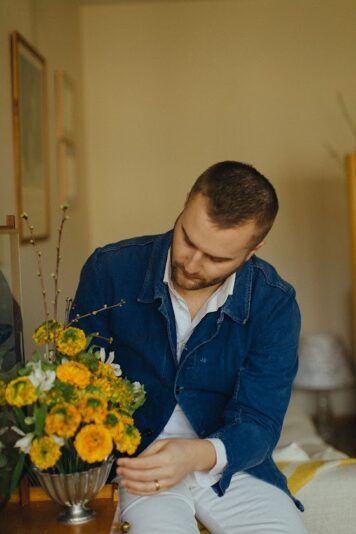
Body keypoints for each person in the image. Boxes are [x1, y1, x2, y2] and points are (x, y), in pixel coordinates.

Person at [71, 161, 307, 533]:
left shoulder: (274, 303)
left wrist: (194, 454)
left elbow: (260, 423)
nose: (191, 264)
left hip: (230, 465)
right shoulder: (109, 270)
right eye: (188, 239)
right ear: (185, 205)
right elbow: (76, 387)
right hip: (136, 463)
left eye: (216, 258)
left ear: (253, 249)